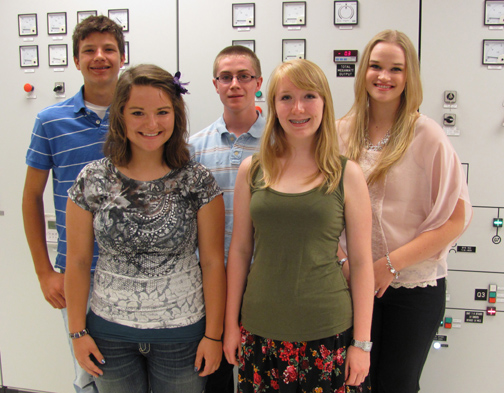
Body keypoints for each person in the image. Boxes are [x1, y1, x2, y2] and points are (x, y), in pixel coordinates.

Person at [64, 64, 226, 393]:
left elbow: (211, 262)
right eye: (138, 112)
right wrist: (77, 333)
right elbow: (78, 262)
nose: (151, 124)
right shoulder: (92, 179)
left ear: (176, 115)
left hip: (183, 336)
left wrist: (214, 334)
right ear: (120, 116)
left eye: (162, 112)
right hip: (108, 335)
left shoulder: (198, 181)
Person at [224, 59, 374, 393]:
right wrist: (230, 325)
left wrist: (362, 343)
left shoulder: (346, 174)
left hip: (328, 332)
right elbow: (240, 250)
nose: (298, 108)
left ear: (324, 102)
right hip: (260, 331)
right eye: (286, 98)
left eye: (309, 96)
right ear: (273, 105)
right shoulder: (253, 170)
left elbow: (362, 263)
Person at [336, 30, 472, 393]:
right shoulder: (339, 133)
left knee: (397, 384)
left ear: (408, 76)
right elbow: (322, 212)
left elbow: (456, 219)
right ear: (363, 70)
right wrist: (346, 264)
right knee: (351, 382)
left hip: (412, 287)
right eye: (376, 66)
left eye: (396, 69)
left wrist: (389, 265)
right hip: (351, 283)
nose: (384, 77)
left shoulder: (427, 135)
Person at [22, 15, 125, 393]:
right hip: (77, 274)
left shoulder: (142, 117)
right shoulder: (50, 121)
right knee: (89, 375)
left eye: (109, 49)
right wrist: (44, 272)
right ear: (76, 60)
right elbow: (31, 197)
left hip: (133, 272)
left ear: (122, 56)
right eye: (89, 51)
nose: (100, 57)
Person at [189, 45, 264, 393]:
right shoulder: (194, 148)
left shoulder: (280, 144)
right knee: (215, 377)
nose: (235, 84)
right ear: (215, 85)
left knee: (261, 375)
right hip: (212, 282)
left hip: (265, 280)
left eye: (244, 76)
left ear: (258, 82)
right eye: (226, 77)